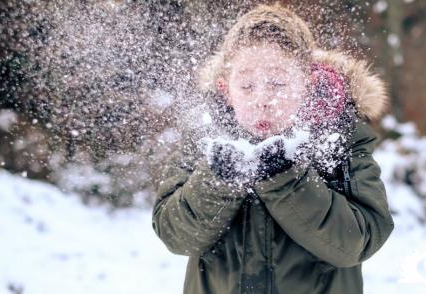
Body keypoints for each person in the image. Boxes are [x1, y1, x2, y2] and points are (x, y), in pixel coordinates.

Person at [151, 3, 395, 294]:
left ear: (308, 83)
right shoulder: (205, 141)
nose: (262, 99)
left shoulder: (339, 138)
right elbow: (175, 236)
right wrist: (219, 180)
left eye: (278, 83)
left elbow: (358, 242)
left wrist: (287, 179)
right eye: (246, 86)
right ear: (226, 89)